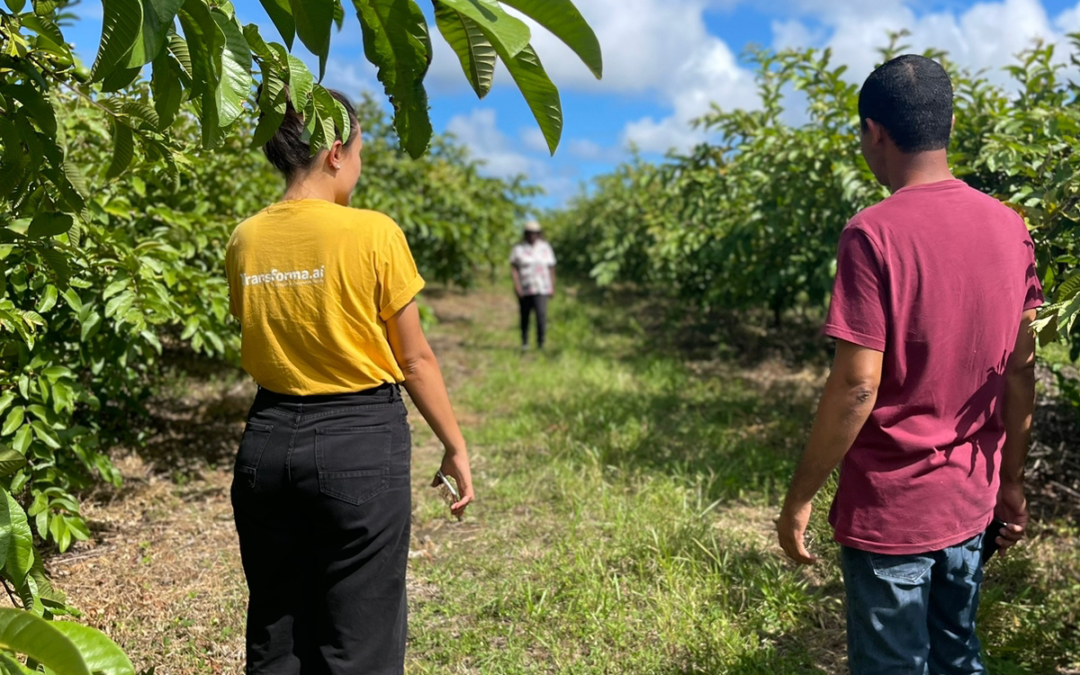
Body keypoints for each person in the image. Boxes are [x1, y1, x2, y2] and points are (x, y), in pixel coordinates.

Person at [776, 55, 1042, 674]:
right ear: (948, 124)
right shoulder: (1012, 227)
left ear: (874, 131)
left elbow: (855, 386)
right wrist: (1012, 481)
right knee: (956, 651)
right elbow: (1021, 371)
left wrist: (800, 497)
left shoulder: (873, 233)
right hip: (971, 496)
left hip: (893, 510)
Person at [225, 89, 475, 675]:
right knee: (359, 639)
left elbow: (258, 325)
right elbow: (414, 360)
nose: (359, 165)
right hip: (359, 438)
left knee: (276, 633)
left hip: (266, 441)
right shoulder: (373, 233)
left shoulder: (246, 238)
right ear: (336, 152)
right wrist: (455, 445)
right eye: (360, 149)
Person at [510, 220, 557, 350]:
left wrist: (552, 286)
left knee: (541, 315)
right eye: (529, 233)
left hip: (542, 287)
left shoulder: (545, 248)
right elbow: (514, 269)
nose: (532, 236)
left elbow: (551, 267)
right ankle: (525, 342)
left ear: (539, 234)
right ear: (525, 234)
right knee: (525, 315)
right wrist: (517, 286)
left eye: (535, 233)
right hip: (525, 287)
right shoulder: (518, 249)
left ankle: (540, 343)